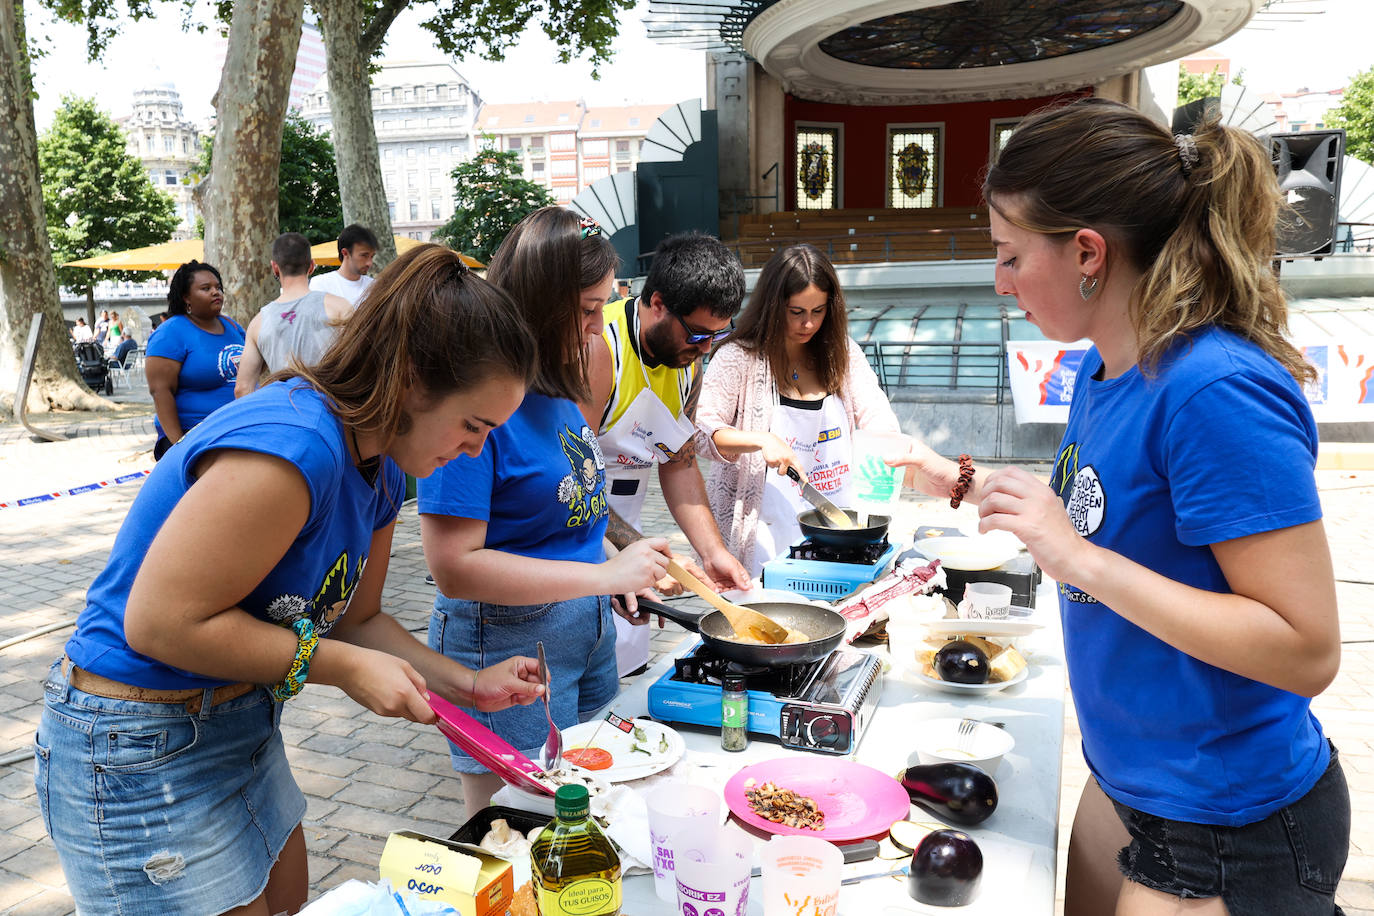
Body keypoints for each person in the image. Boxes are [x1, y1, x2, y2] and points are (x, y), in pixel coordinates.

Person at [893, 98, 1349, 915]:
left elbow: (1306, 648)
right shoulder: (1101, 372)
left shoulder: (1214, 389)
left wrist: (1077, 559)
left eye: (1008, 256)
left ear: (1088, 253)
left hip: (1224, 825)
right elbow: (1109, 519)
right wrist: (967, 486)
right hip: (1132, 783)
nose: (999, 285)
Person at [35, 243, 547, 916]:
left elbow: (361, 620)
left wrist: (466, 684)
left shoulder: (385, 468)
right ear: (413, 380)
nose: (477, 450)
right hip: (137, 739)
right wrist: (342, 668)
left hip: (237, 718)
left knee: (289, 901)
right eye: (475, 425)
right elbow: (160, 622)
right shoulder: (296, 444)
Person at [419, 207, 671, 813]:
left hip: (585, 633)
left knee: (593, 805)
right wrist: (603, 575)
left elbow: (576, 508)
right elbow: (454, 565)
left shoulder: (560, 382)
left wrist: (620, 569)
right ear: (538, 301)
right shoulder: (475, 397)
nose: (595, 328)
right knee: (516, 827)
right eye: (586, 310)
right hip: (505, 646)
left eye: (604, 308)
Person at [583, 233, 752, 676]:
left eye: (719, 334)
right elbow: (570, 486)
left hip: (628, 546)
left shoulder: (688, 363)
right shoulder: (600, 350)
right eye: (697, 333)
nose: (705, 349)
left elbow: (679, 462)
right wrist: (652, 556)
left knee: (627, 685)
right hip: (575, 545)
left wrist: (711, 551)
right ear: (657, 302)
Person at [693, 243, 901, 575]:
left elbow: (876, 413)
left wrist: (889, 447)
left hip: (835, 527)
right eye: (796, 312)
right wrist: (761, 440)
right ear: (773, 305)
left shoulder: (843, 353)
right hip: (759, 536)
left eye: (818, 311)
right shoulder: (738, 357)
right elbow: (701, 431)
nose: (808, 324)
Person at [145, 261, 246, 460]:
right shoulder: (170, 333)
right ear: (186, 298)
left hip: (237, 431)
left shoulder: (233, 326)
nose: (216, 292)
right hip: (195, 437)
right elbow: (160, 391)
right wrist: (180, 446)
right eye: (206, 288)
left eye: (218, 287)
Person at [236, 232, 354, 397]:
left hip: (285, 414)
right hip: (331, 412)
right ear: (311, 266)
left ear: (275, 267)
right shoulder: (340, 307)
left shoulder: (258, 322)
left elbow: (242, 388)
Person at [309, 223, 378, 305]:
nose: (369, 263)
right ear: (345, 253)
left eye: (372, 256)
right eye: (364, 255)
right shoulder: (320, 285)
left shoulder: (375, 287)